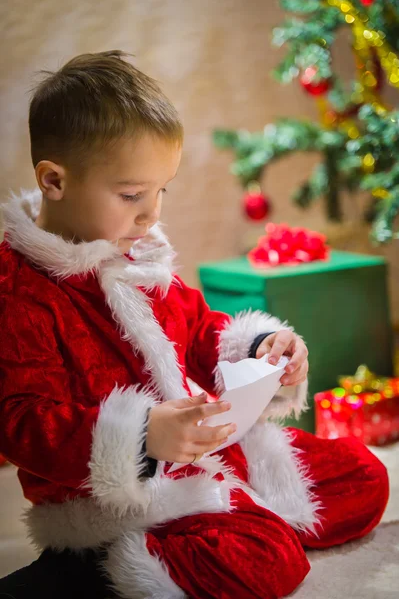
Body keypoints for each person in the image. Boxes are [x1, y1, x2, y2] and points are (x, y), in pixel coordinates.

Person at [0, 51, 389, 599]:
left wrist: (262, 349)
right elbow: (21, 422)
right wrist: (140, 438)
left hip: (203, 451)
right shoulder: (21, 288)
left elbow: (200, 328)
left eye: (162, 190)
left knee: (362, 476)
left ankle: (238, 517)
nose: (151, 213)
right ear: (55, 181)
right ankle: (99, 569)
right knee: (268, 558)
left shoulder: (138, 255)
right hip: (116, 497)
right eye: (133, 194)